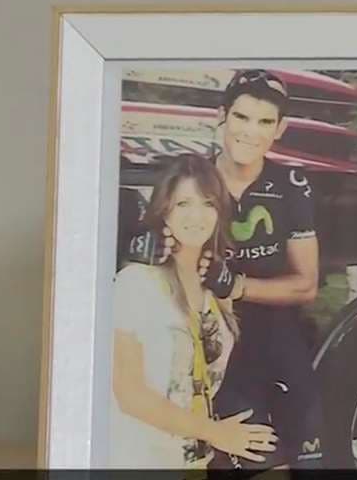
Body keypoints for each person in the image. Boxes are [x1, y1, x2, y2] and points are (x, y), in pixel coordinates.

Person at [126, 70, 324, 471]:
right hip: (214, 339)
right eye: (241, 117)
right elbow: (160, 240)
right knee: (246, 456)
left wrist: (234, 285)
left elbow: (307, 286)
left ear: (280, 129)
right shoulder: (195, 178)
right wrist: (149, 245)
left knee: (308, 462)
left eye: (264, 121)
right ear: (222, 116)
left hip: (279, 336)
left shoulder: (291, 185)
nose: (250, 132)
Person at [110, 154, 278, 469]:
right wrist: (215, 433)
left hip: (194, 461)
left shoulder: (214, 292)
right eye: (183, 204)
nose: (196, 215)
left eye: (207, 203)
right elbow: (128, 393)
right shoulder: (136, 283)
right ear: (164, 212)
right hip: (137, 459)